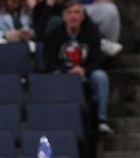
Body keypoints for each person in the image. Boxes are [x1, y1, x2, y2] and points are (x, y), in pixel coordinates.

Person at [44, 0, 112, 134]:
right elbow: (49, 61)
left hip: (86, 73)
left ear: (83, 16)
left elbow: (97, 60)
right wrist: (67, 72)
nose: (73, 16)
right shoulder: (54, 35)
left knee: (101, 77)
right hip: (63, 75)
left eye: (77, 12)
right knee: (53, 76)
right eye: (69, 13)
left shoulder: (92, 33)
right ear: (63, 16)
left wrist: (84, 70)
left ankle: (101, 120)